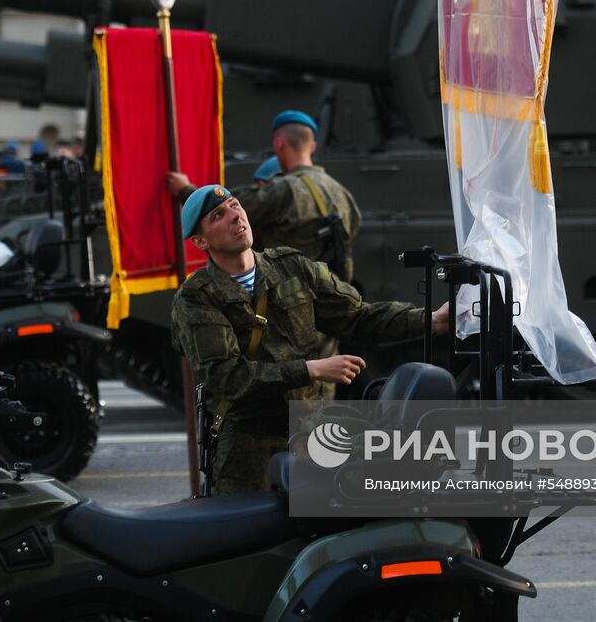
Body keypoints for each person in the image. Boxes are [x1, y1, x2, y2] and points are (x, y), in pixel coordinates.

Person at [172, 183, 450, 495]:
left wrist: (430, 319)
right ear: (200, 241)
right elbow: (227, 377)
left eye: (235, 205)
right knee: (258, 541)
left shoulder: (291, 267)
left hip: (311, 433)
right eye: (218, 215)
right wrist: (310, 369)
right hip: (248, 453)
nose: (235, 216)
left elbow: (357, 317)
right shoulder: (197, 298)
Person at [168, 110, 361, 281]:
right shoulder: (342, 193)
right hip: (332, 296)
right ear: (312, 146)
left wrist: (186, 190)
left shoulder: (284, 190)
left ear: (279, 143)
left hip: (291, 298)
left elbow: (223, 208)